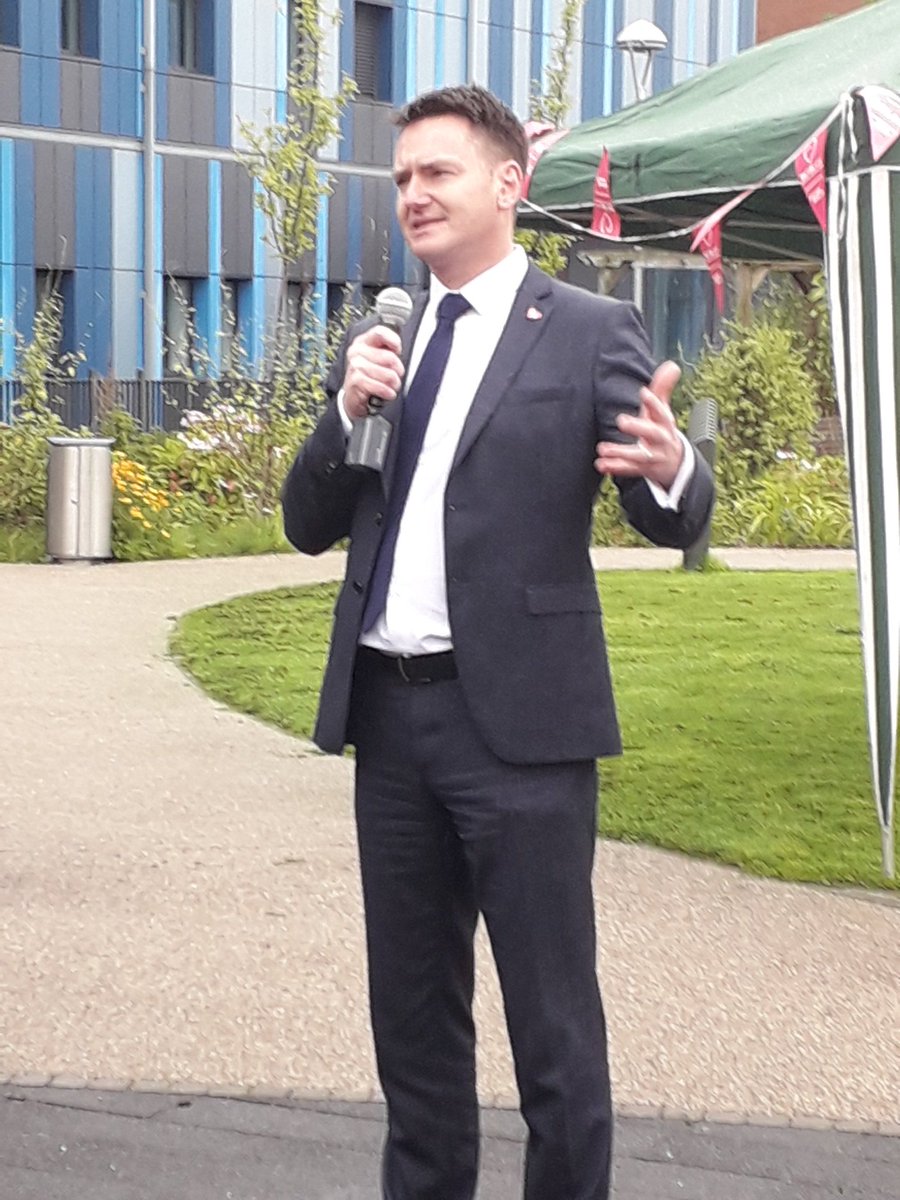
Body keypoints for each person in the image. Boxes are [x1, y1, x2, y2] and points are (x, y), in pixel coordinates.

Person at [281, 84, 714, 1200]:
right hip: (391, 719)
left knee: (554, 1036)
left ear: (507, 184)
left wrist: (670, 465)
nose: (414, 194)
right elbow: (304, 521)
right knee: (415, 1037)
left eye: (439, 173)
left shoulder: (586, 330)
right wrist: (342, 410)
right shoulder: (386, 334)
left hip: (522, 731)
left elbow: (671, 507)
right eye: (403, 177)